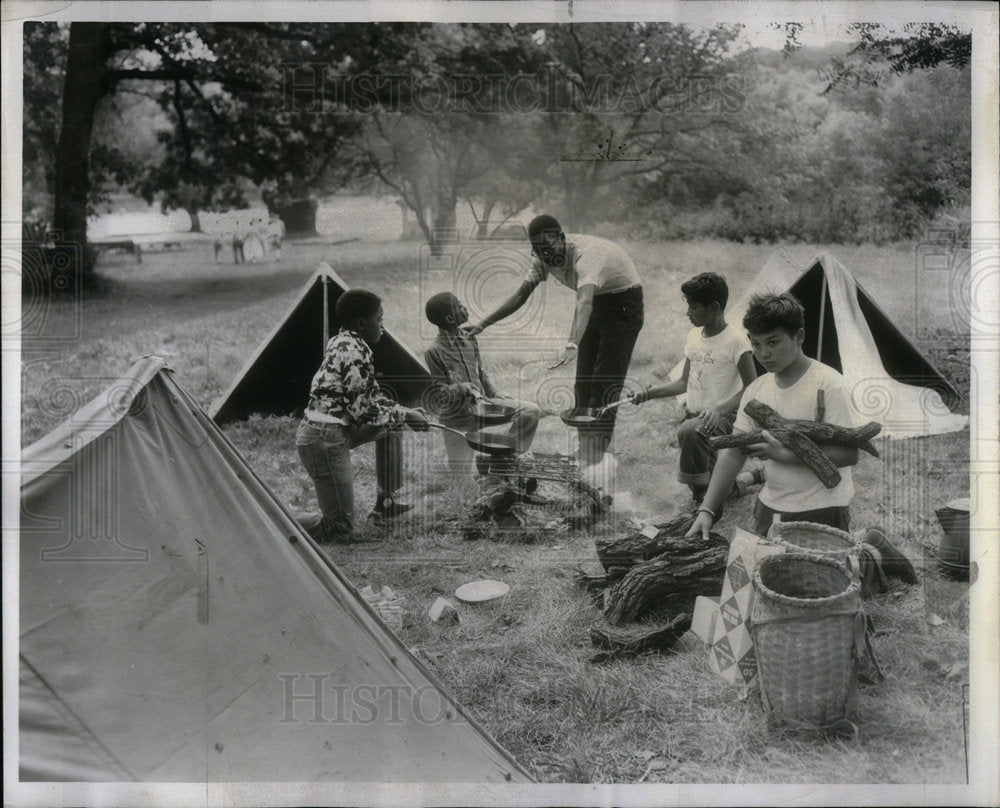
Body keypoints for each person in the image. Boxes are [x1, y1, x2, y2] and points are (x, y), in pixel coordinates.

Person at [462, 214, 643, 467]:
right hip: (595, 306)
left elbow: (584, 302)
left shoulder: (588, 254)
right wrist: (482, 323)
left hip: (623, 304)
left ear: (561, 238)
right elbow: (520, 296)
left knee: (604, 384)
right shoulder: (541, 256)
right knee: (583, 385)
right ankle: (586, 452)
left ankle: (595, 459)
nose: (544, 255)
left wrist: (572, 343)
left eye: (547, 248)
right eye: (536, 250)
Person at [686, 292, 861, 540]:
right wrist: (707, 509)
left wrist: (784, 454)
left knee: (812, 576)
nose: (763, 353)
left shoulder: (828, 384)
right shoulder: (757, 390)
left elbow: (849, 453)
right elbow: (734, 453)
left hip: (822, 508)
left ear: (798, 336)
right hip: (772, 506)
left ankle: (871, 549)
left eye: (773, 342)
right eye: (756, 344)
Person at [296, 289, 429, 544]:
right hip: (324, 439)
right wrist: (405, 414)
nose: (382, 326)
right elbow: (360, 410)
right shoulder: (353, 351)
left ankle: (386, 502)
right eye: (379, 320)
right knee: (339, 531)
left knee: (392, 426)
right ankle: (274, 518)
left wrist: (404, 414)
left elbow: (371, 397)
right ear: (360, 323)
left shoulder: (345, 341)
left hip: (334, 432)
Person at [632, 272, 757, 504]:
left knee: (690, 432)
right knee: (712, 477)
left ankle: (703, 498)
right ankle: (739, 482)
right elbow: (683, 382)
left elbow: (752, 387)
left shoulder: (737, 340)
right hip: (696, 414)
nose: (688, 313)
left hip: (724, 416)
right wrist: (649, 394)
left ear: (715, 307)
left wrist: (719, 410)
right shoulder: (693, 336)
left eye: (694, 307)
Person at [424, 291, 541, 474]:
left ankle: (504, 459)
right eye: (460, 306)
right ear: (450, 318)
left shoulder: (470, 337)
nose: (465, 308)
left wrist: (493, 393)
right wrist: (463, 388)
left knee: (530, 411)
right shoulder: (434, 351)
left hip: (484, 407)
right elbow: (441, 392)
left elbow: (480, 370)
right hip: (457, 417)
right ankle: (476, 459)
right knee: (461, 474)